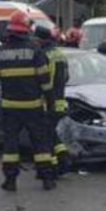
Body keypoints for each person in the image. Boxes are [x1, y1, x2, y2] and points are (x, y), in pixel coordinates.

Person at [0, 11, 57, 192]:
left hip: (9, 107)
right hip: (33, 107)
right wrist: (51, 104)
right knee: (40, 143)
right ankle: (47, 179)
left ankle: (10, 180)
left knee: (10, 145)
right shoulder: (36, 50)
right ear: (26, 30)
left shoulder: (0, 52)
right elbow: (45, 82)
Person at [35, 24, 70, 175]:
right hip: (60, 101)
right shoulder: (60, 53)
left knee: (45, 137)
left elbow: (42, 81)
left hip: (47, 102)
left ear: (40, 40)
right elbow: (67, 77)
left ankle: (54, 167)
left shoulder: (43, 55)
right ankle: (63, 158)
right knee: (51, 133)